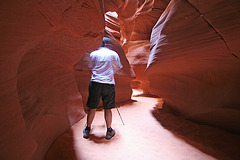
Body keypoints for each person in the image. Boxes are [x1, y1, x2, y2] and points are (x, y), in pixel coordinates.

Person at [83, 38, 123, 140]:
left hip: (95, 83)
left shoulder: (93, 54)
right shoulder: (113, 54)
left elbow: (91, 67)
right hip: (108, 84)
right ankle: (109, 131)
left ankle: (87, 129)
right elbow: (118, 67)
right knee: (108, 108)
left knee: (92, 107)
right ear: (106, 45)